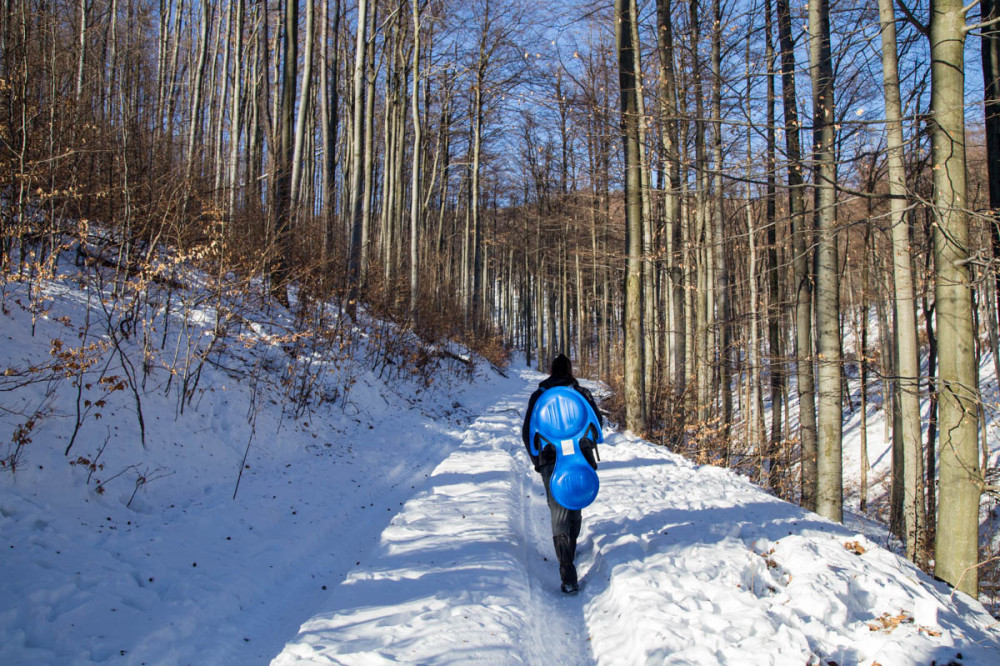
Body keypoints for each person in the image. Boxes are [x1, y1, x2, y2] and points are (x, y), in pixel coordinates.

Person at [521, 353, 603, 594]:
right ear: (569, 370)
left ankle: (567, 570)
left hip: (550, 459)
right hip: (579, 458)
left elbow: (528, 432)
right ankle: (571, 545)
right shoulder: (580, 393)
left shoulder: (539, 396)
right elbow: (597, 424)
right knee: (575, 503)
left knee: (558, 513)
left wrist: (537, 460)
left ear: (550, 370)